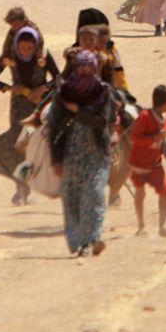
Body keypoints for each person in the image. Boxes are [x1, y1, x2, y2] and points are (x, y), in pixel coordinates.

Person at [0, 27, 59, 205]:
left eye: (29, 48)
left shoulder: (44, 56)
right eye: (22, 48)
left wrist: (44, 88)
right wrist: (10, 88)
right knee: (19, 146)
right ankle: (21, 189)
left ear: (35, 46)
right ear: (17, 45)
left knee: (44, 144)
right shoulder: (9, 57)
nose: (25, 51)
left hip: (40, 106)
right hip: (18, 107)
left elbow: (59, 78)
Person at [48, 50, 116, 257]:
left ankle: (91, 240)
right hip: (71, 153)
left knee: (94, 194)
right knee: (72, 197)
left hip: (96, 152)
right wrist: (56, 159)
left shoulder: (103, 92)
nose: (86, 70)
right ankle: (76, 241)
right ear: (75, 67)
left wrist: (79, 111)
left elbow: (102, 122)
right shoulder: (64, 93)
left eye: (89, 66)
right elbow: (54, 127)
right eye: (82, 66)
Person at [130, 84, 166, 238]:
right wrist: (153, 138)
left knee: (164, 191)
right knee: (140, 192)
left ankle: (162, 226)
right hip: (139, 162)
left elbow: (162, 142)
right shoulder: (144, 117)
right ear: (164, 103)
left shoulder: (165, 121)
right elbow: (134, 138)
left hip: (155, 163)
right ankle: (140, 226)